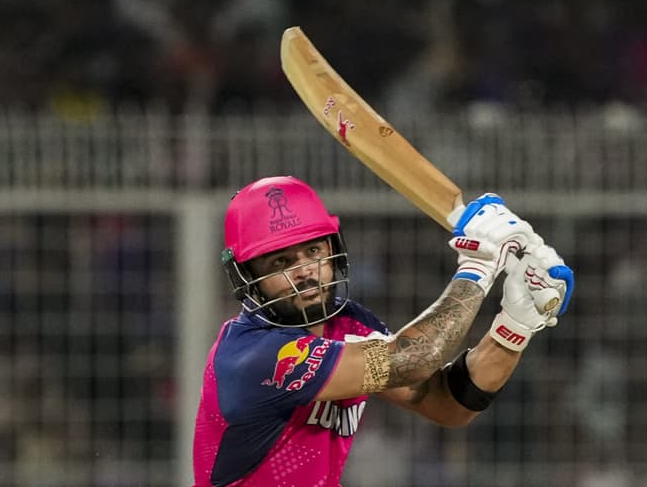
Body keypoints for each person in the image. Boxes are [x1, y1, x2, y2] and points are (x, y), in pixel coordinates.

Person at [192, 176, 574, 487]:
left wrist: (514, 326)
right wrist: (479, 267)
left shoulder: (349, 324)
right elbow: (413, 360)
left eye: (314, 251)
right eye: (281, 261)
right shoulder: (255, 356)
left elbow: (448, 405)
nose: (306, 271)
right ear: (247, 276)